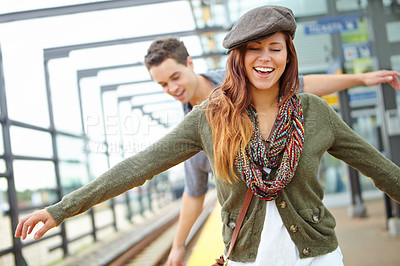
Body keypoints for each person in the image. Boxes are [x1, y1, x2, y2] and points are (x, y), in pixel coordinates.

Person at [15, 5, 400, 265]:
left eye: (275, 48)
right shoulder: (209, 118)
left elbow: (381, 170)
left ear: (288, 56)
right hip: (247, 257)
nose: (265, 58)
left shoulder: (314, 112)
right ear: (239, 57)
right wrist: (60, 210)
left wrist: (363, 77)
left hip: (317, 256)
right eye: (254, 49)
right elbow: (139, 166)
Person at [144, 37, 400, 265]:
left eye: (175, 77)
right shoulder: (193, 127)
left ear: (189, 63)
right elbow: (194, 192)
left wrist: (359, 79)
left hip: (303, 229)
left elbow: (303, 85)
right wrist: (178, 246)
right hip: (251, 245)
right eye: (163, 84)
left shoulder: (239, 76)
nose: (172, 88)